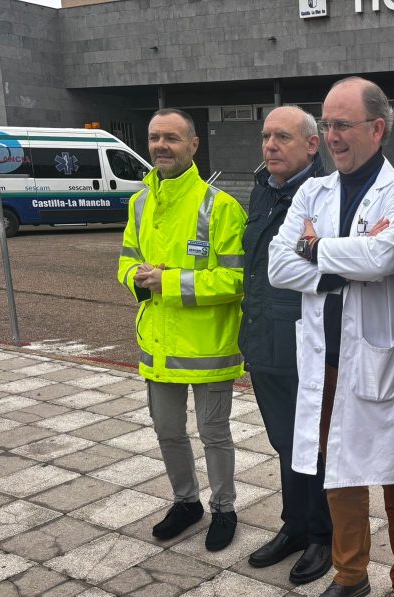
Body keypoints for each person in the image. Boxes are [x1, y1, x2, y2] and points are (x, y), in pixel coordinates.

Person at [269, 77, 394, 597]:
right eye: (327, 124)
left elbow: (384, 258)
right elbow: (278, 266)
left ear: (377, 128)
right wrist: (342, 264)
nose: (331, 136)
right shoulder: (313, 193)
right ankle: (350, 574)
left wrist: (315, 249)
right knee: (338, 470)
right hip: (326, 359)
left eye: (342, 125)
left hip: (384, 358)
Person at [117, 108, 247, 551]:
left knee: (214, 434)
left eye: (172, 138)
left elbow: (236, 279)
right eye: (155, 137)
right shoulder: (139, 203)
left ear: (193, 145)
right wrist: (136, 277)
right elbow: (125, 261)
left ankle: (224, 509)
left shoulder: (220, 206)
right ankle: (186, 502)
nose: (161, 145)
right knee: (167, 431)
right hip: (158, 342)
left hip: (209, 346)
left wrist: (168, 282)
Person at [238, 106, 332, 582]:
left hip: (303, 345)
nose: (270, 145)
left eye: (282, 137)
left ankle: (323, 536)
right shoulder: (263, 189)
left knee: (313, 445)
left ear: (312, 145)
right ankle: (294, 526)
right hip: (263, 341)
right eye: (266, 136)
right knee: (283, 440)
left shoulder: (325, 197)